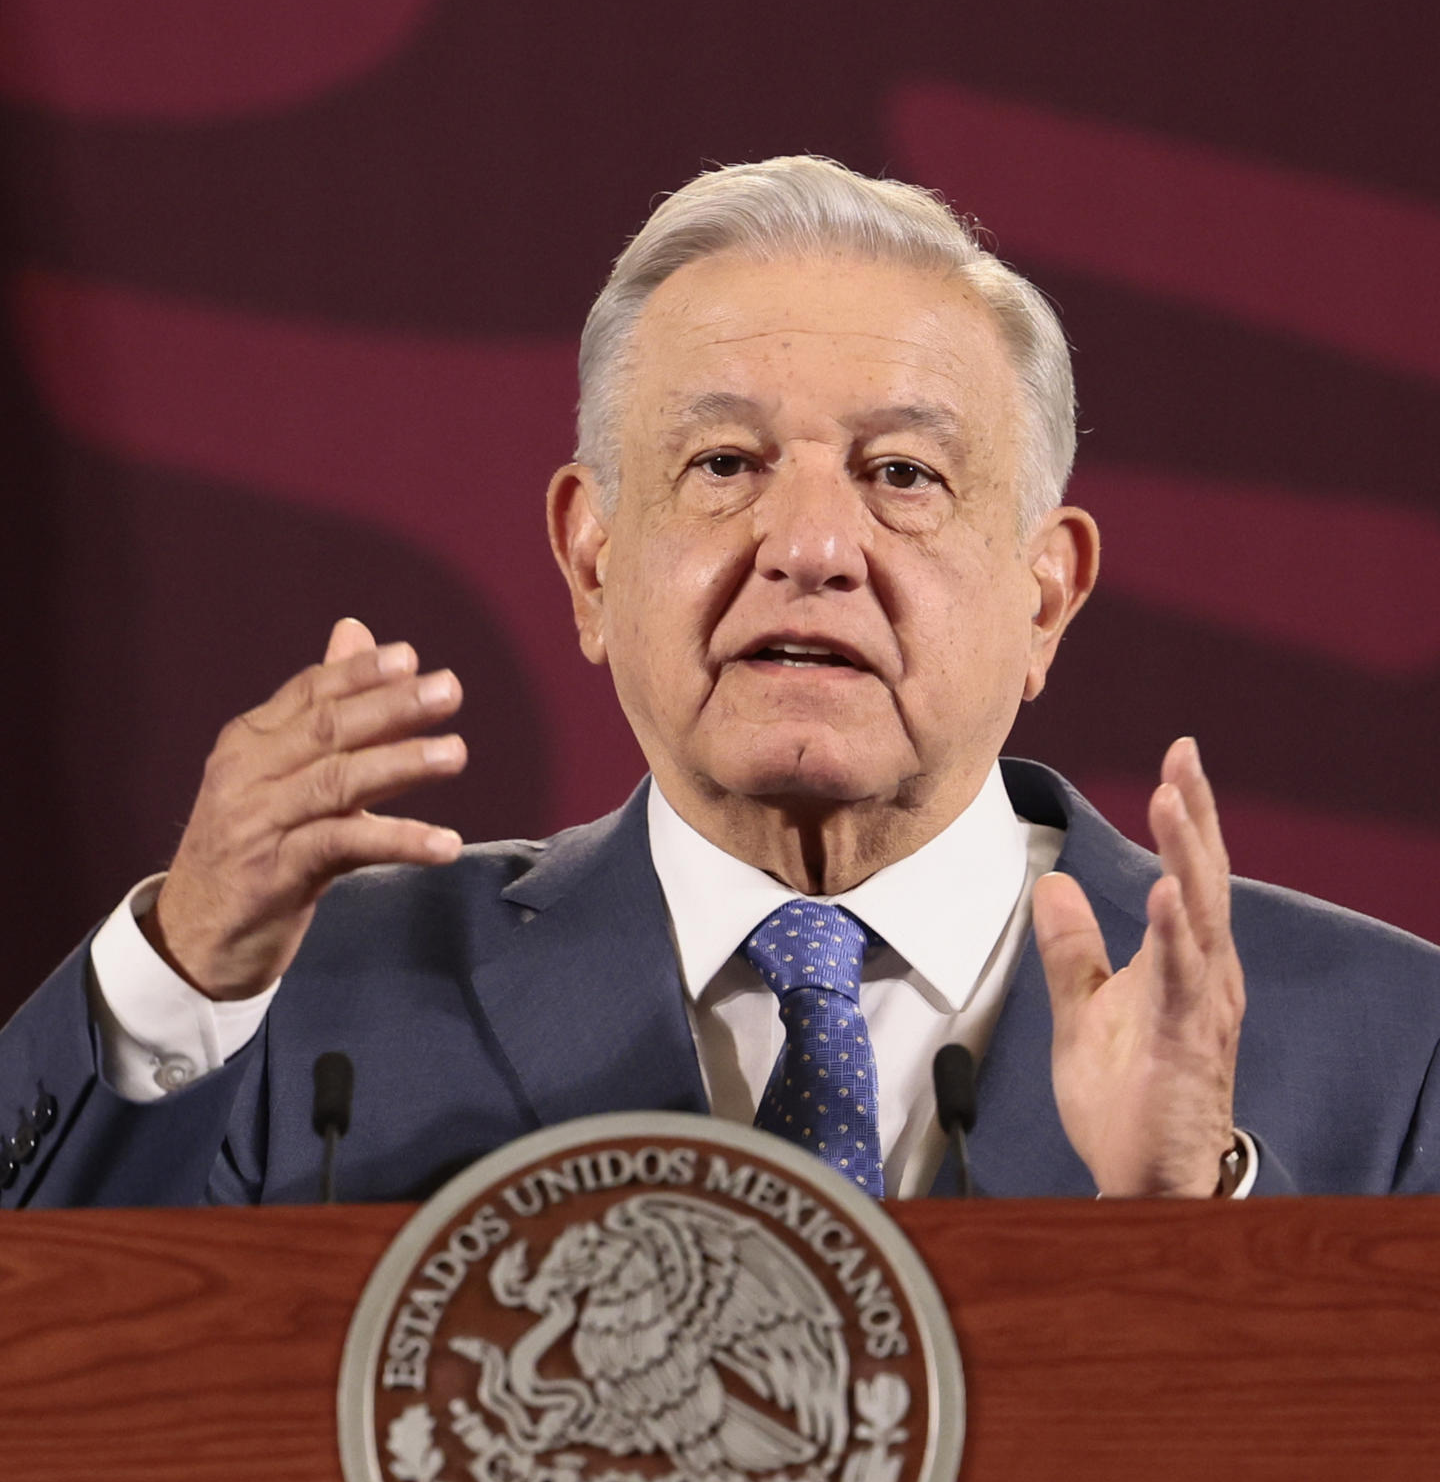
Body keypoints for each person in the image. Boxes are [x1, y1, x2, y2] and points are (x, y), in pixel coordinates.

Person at [2, 157, 1437, 1209]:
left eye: (902, 476)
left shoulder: (1387, 1042)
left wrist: (1196, 1223)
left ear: (1044, 590)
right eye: (725, 466)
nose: (809, 547)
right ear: (589, 559)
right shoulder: (318, 1005)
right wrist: (174, 971)